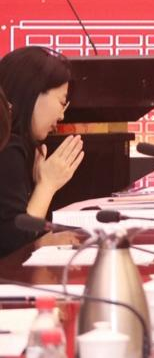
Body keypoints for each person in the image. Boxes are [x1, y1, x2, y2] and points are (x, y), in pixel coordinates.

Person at [0, 47, 84, 256]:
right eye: (61, 101)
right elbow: (15, 246)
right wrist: (47, 186)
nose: (61, 116)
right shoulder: (7, 148)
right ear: (33, 92)